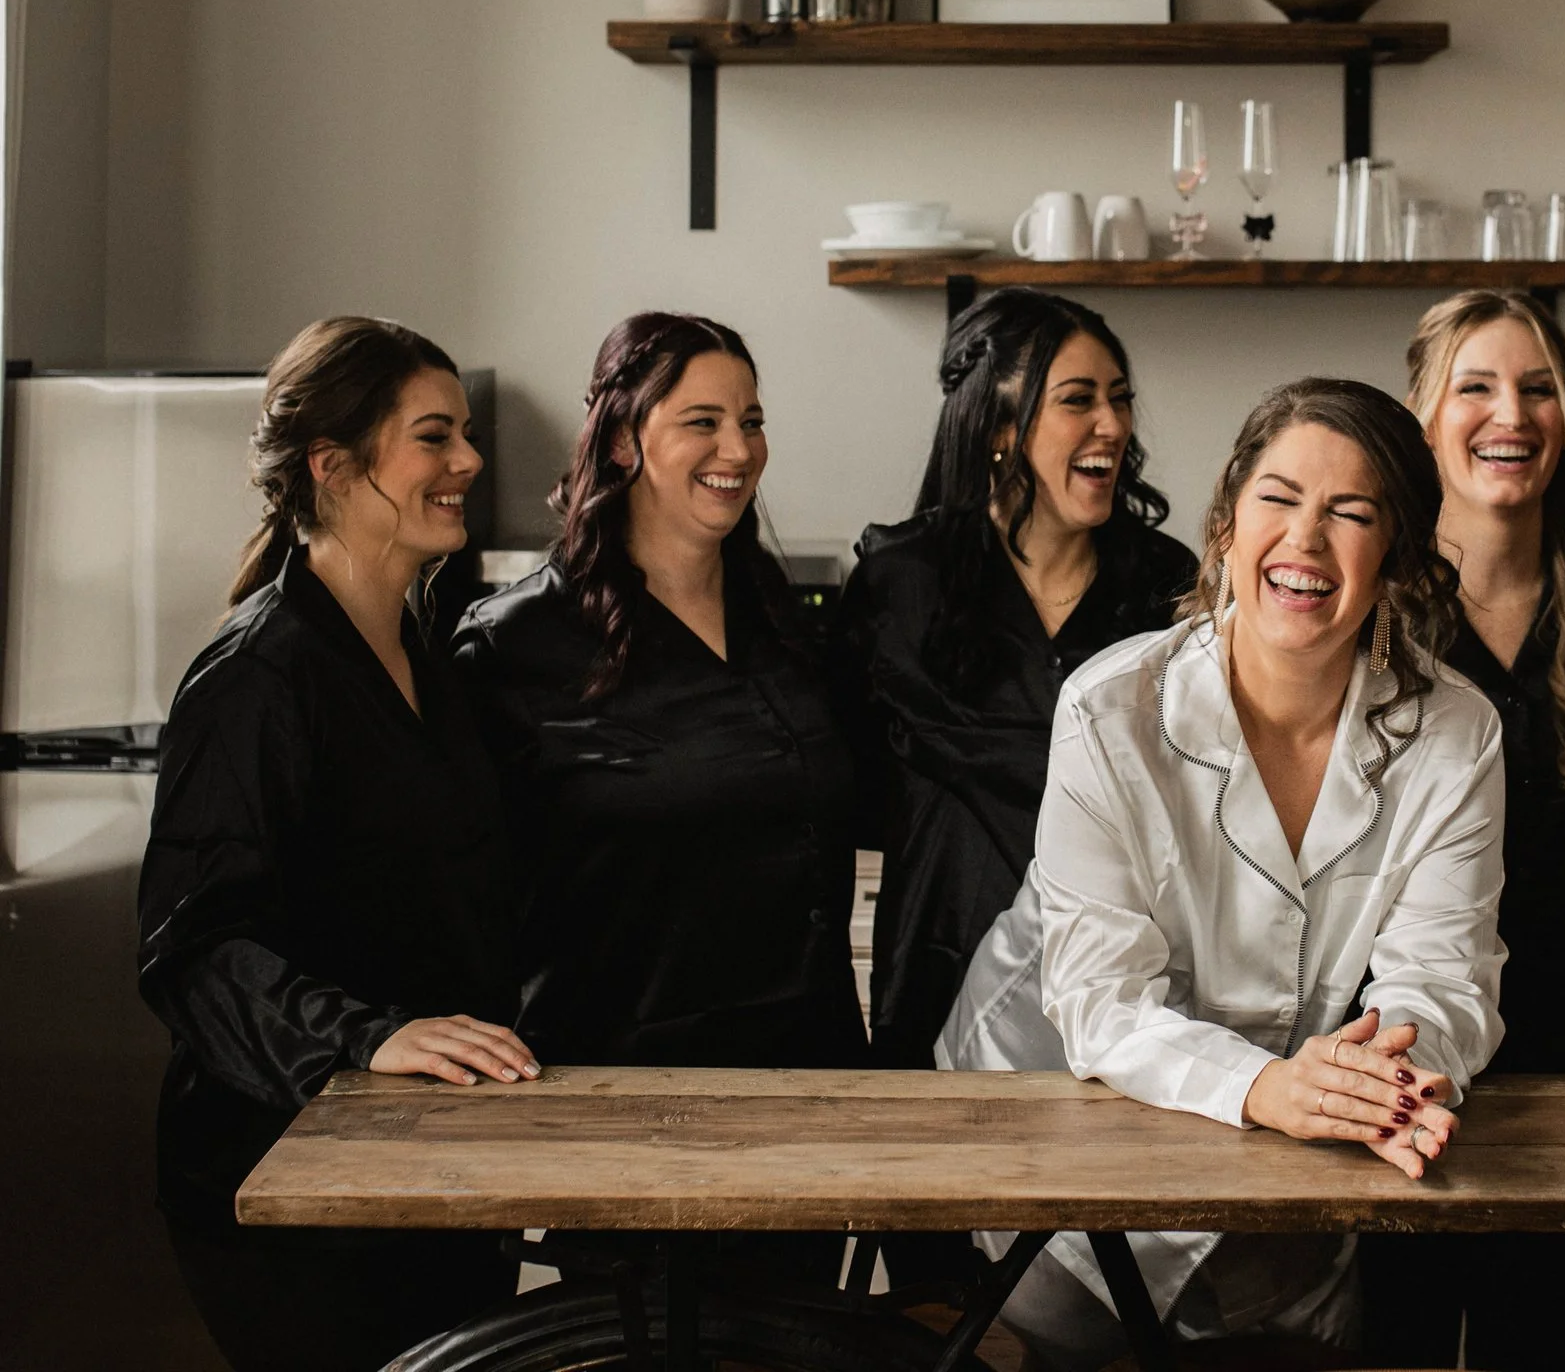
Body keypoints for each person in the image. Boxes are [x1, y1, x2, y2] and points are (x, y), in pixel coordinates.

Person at [939, 377, 1505, 1372]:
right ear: (1225, 523)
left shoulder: (1455, 732)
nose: (1305, 540)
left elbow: (1443, 972)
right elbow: (1101, 1001)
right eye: (1279, 498)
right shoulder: (1109, 708)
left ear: (1398, 555)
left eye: (1351, 513)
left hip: (1306, 1142)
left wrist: (1393, 1081)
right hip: (1060, 1117)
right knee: (1076, 1346)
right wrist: (1269, 1088)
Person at [137, 317, 532, 1372]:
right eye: (434, 437)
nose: (468, 461)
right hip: (287, 1188)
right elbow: (193, 951)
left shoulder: (428, 655)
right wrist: (366, 1038)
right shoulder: (258, 675)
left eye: (466, 435)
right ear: (332, 465)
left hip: (430, 1165)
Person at [1359, 290, 1565, 1369]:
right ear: (1422, 416)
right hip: (1403, 1043)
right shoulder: (1367, 610)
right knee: (1398, 1337)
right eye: (1476, 387)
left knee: (1551, 1336)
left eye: (1539, 389)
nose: (1512, 415)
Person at [453, 313, 867, 1071]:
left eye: (751, 422)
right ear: (621, 440)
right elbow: (457, 907)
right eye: (702, 422)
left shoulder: (780, 619)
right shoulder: (513, 644)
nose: (738, 450)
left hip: (816, 1070)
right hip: (619, 1085)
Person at [838, 289, 1197, 1071]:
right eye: (1078, 399)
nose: (1113, 424)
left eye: (1119, 398)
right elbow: (850, 790)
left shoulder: (1165, 589)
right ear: (999, 428)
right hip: (938, 979)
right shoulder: (901, 583)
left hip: (1119, 998)